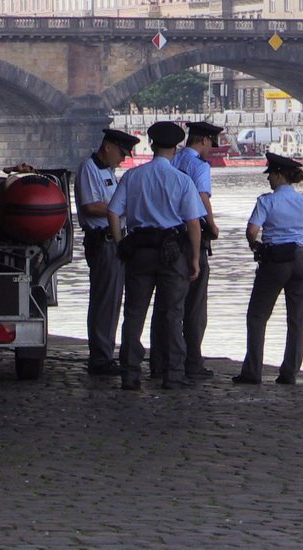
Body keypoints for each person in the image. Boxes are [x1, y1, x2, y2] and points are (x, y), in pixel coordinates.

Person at [108, 121, 205, 390]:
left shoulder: (133, 177)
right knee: (172, 313)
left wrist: (120, 245)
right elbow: (194, 223)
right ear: (176, 148)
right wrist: (194, 258)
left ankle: (129, 373)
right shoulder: (182, 180)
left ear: (151, 145)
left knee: (135, 313)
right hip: (172, 251)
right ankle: (173, 373)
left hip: (139, 250)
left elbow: (113, 212)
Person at [233, 153, 303, 385]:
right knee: (297, 319)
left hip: (275, 260)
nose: (268, 180)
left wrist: (255, 246)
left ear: (278, 175)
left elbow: (252, 230)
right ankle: (289, 373)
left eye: (270, 176)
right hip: (302, 259)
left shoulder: (267, 201)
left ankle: (252, 372)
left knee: (257, 316)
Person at [150, 120, 222, 381]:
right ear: (204, 140)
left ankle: (159, 361)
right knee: (194, 306)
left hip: (165, 237)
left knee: (166, 305)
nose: (211, 150)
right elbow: (202, 197)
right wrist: (212, 226)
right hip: (191, 237)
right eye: (210, 145)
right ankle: (192, 362)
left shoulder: (173, 160)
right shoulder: (198, 165)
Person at [74, 128, 140, 376]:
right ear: (108, 147)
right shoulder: (89, 170)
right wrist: (121, 208)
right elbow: (91, 207)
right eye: (121, 153)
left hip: (116, 240)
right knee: (105, 300)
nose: (123, 159)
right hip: (102, 241)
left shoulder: (108, 172)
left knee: (113, 301)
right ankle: (100, 358)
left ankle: (106, 352)